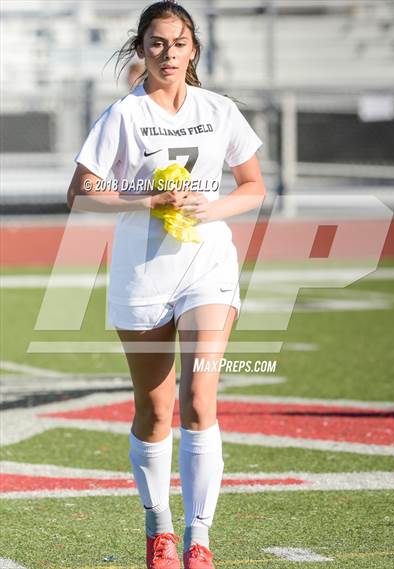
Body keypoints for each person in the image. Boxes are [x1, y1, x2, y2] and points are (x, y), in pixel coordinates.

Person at [67, 2, 265, 568]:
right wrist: (146, 198)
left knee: (199, 400)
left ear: (193, 49)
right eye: (157, 43)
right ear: (141, 49)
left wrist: (214, 207)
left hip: (208, 266)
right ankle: (160, 530)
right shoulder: (122, 116)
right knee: (155, 413)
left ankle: (199, 539)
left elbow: (253, 185)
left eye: (179, 43)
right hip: (143, 272)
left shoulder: (219, 110)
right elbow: (80, 193)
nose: (168, 54)